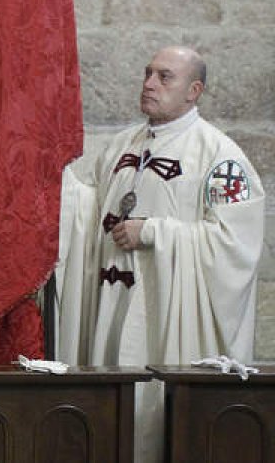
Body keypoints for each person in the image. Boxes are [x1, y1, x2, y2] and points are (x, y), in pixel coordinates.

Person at [56, 45, 266, 463]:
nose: (149, 84)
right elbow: (90, 213)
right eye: (148, 73)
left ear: (194, 90)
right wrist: (53, 178)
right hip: (112, 309)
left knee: (153, 429)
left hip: (163, 320)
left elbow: (235, 244)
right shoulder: (120, 146)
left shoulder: (220, 157)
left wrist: (154, 232)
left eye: (164, 77)